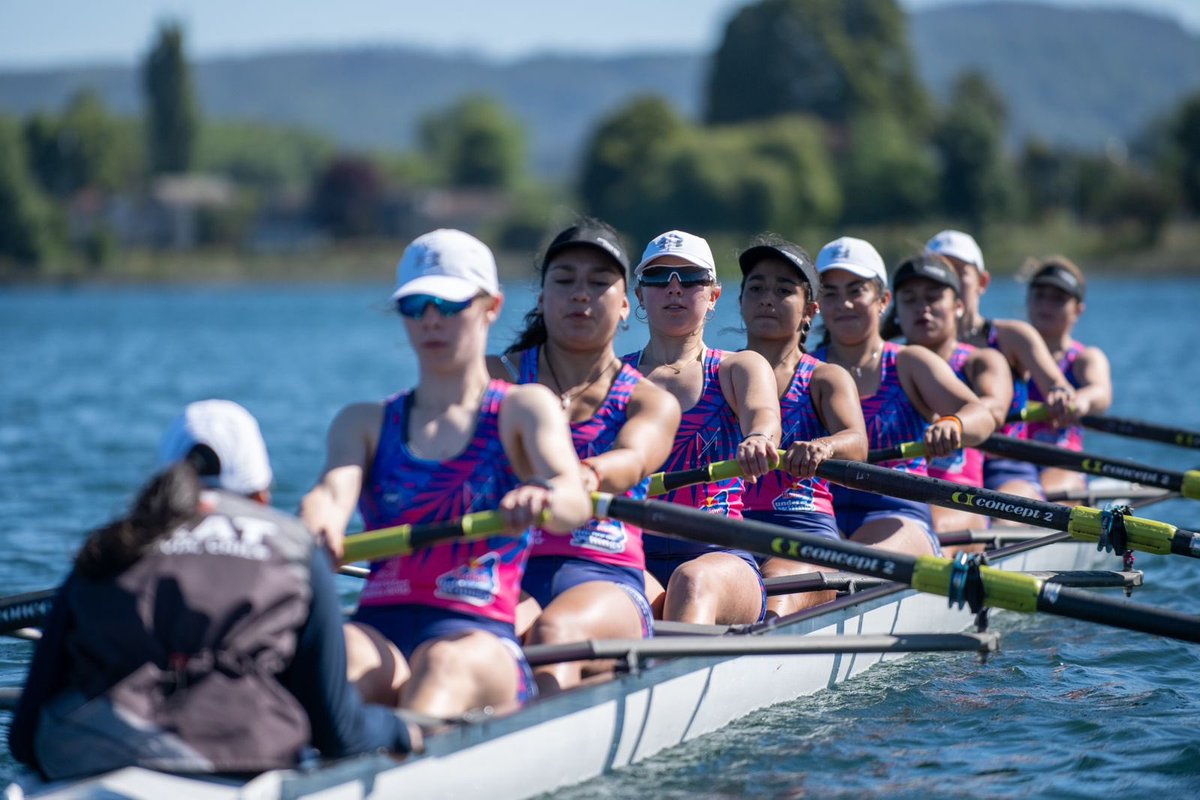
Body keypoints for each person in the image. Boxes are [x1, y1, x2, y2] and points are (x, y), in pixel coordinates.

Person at [8, 400, 419, 782]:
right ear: (262, 495)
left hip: (86, 757)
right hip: (241, 756)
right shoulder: (293, 547)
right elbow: (339, 733)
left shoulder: (110, 546)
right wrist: (399, 729)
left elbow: (23, 735)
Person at [300, 229, 592, 718]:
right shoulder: (364, 423)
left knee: (442, 664)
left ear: (492, 307)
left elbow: (573, 498)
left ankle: (403, 752)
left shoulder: (522, 409)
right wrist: (316, 524)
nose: (431, 320)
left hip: (480, 637)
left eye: (450, 304)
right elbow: (330, 493)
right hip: (381, 631)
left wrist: (544, 497)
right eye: (416, 306)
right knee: (331, 658)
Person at [490, 219, 680, 693]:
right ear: (541, 298)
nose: (580, 294)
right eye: (565, 280)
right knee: (486, 645)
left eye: (598, 283)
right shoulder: (495, 378)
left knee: (555, 635)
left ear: (625, 305)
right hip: (508, 573)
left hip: (607, 576)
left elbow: (632, 460)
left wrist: (582, 478)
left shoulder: (650, 400)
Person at [622, 230, 781, 626]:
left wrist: (758, 439)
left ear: (713, 295)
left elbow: (762, 415)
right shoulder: (613, 377)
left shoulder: (737, 367)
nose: (674, 288)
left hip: (718, 555)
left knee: (691, 581)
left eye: (690, 278)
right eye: (658, 278)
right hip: (633, 553)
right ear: (639, 294)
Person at [812, 237, 996, 557]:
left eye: (856, 291)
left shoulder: (909, 363)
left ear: (883, 300)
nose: (844, 304)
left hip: (899, 513)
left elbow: (981, 415)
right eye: (831, 293)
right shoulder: (809, 368)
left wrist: (954, 424)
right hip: (823, 516)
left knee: (856, 560)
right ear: (816, 303)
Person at [736, 235, 868, 617]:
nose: (767, 299)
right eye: (756, 288)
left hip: (805, 533)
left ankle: (767, 629)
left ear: (810, 310)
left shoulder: (824, 377)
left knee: (774, 593)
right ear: (740, 302)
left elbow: (858, 444)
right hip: (728, 533)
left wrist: (824, 447)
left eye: (783, 290)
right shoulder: (721, 372)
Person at [925, 230, 1076, 500]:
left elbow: (1058, 385)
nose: (949, 281)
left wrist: (1060, 395)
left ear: (982, 282)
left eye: (958, 271)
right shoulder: (910, 347)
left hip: (1005, 464)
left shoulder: (1013, 337)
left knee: (1004, 516)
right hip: (940, 464)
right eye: (940, 273)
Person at [891, 254, 1014, 537]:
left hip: (958, 495)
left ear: (958, 306)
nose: (922, 308)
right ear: (895, 309)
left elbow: (993, 411)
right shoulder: (883, 364)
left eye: (933, 297)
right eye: (909, 299)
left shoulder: (980, 360)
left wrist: (953, 422)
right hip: (891, 498)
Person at [1022, 256, 1113, 497]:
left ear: (1078, 310)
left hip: (1062, 461)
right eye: (1040, 295)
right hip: (1011, 461)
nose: (1046, 305)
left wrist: (1080, 400)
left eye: (1058, 299)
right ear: (1028, 300)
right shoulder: (1008, 355)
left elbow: (1101, 393)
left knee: (1043, 492)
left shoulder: (1084, 358)